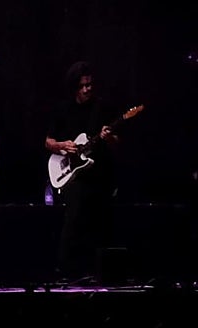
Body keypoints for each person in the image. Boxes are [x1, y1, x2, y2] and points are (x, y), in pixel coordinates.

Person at [44, 60, 121, 282]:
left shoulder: (102, 108)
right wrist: (62, 145)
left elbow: (117, 142)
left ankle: (98, 273)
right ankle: (66, 270)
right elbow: (47, 142)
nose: (87, 89)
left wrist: (109, 138)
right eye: (82, 85)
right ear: (74, 87)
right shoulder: (63, 109)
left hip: (99, 174)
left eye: (90, 84)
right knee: (74, 217)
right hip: (74, 175)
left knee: (100, 221)